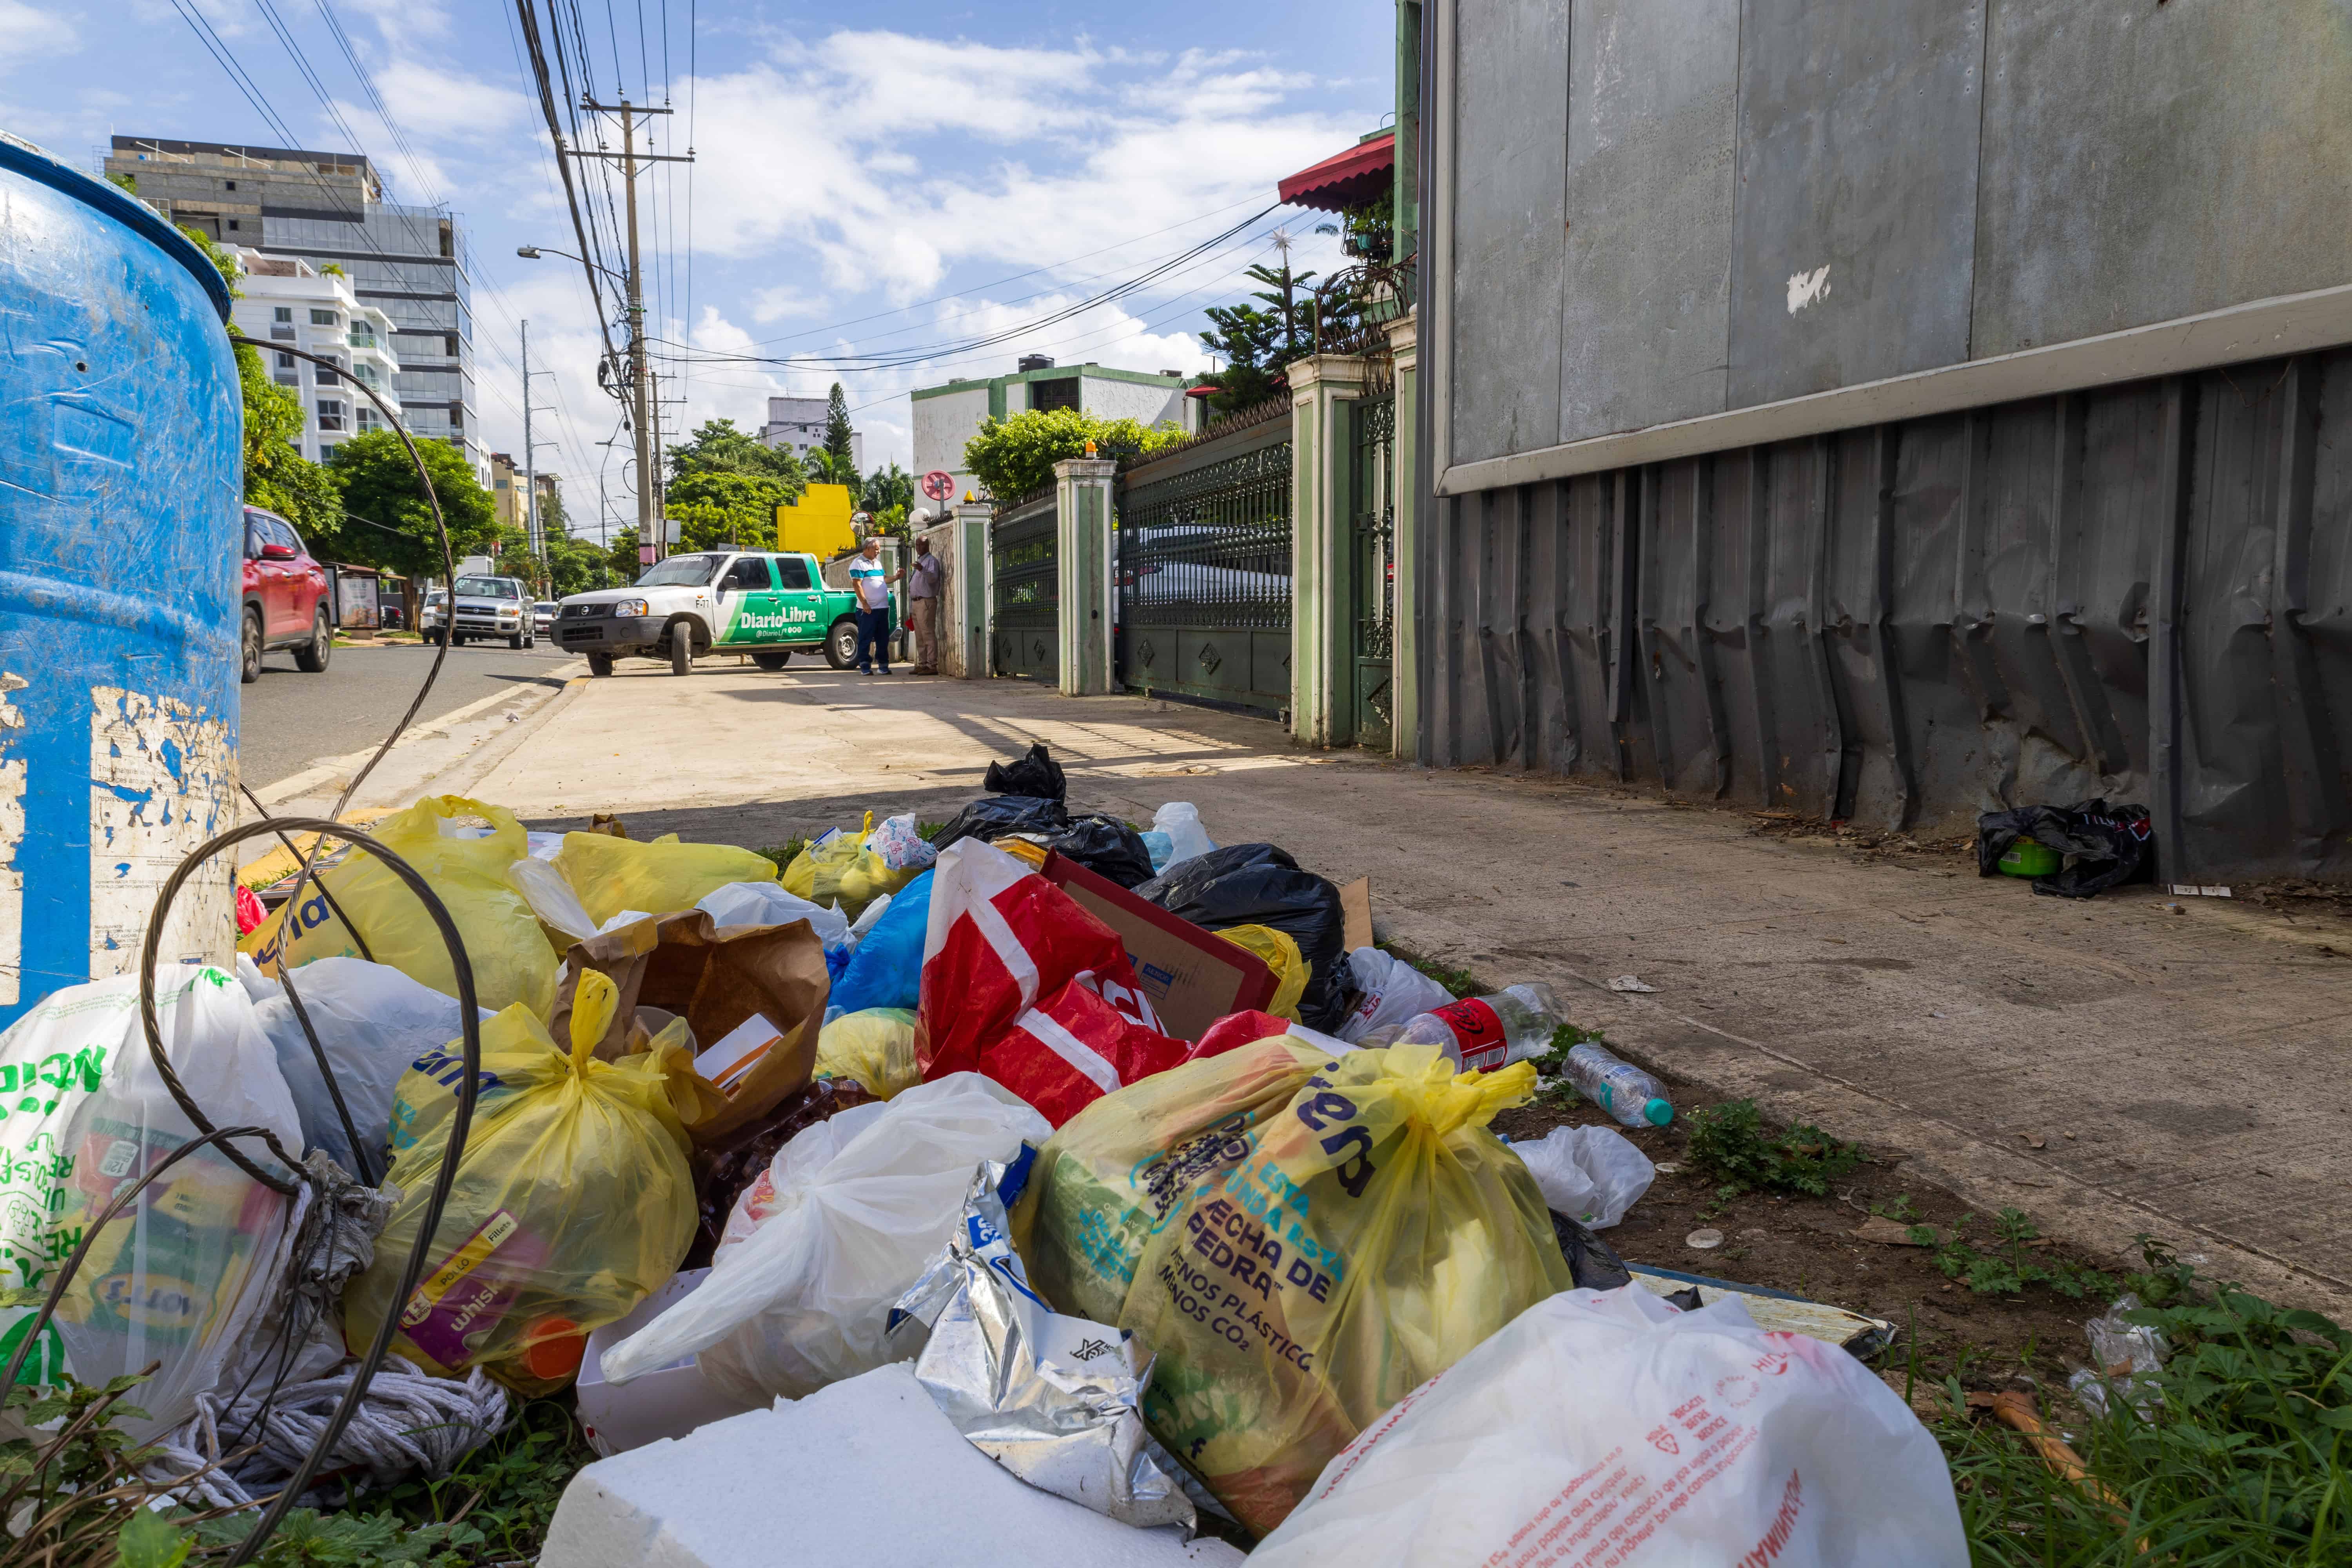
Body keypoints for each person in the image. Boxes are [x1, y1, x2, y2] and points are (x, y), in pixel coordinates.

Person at [846, 535, 895, 675]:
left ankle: (883, 666)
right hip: (868, 610)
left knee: (883, 638)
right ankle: (865, 666)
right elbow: (857, 584)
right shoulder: (858, 564)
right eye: (876, 549)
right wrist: (865, 603)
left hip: (882, 609)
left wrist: (896, 577)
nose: (878, 552)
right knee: (865, 638)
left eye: (879, 549)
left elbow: (885, 579)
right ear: (867, 549)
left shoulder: (878, 564)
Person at [906, 535, 944, 675]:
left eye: (921, 545)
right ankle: (922, 664)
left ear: (927, 545)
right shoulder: (920, 562)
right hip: (916, 603)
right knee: (920, 636)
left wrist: (923, 569)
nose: (918, 548)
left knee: (928, 633)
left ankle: (932, 666)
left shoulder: (931, 562)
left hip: (926, 602)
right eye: (917, 545)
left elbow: (933, 579)